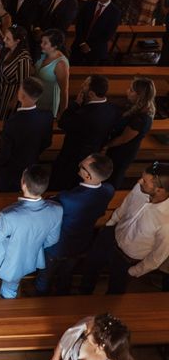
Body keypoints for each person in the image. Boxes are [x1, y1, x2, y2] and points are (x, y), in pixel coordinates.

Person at [0, 164, 62, 299]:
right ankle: (4, 316)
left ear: (23, 184)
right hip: (23, 261)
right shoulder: (56, 209)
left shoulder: (9, 215)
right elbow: (52, 239)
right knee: (10, 291)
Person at [81, 162, 169, 295]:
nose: (139, 181)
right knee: (90, 270)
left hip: (127, 260)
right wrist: (110, 224)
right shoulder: (140, 188)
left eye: (145, 181)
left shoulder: (165, 222)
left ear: (159, 190)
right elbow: (125, 206)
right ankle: (83, 296)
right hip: (110, 237)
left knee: (114, 293)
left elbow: (157, 257)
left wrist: (133, 271)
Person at [36, 154, 115, 296]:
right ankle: (62, 295)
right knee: (66, 273)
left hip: (58, 245)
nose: (79, 164)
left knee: (45, 276)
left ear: (88, 176)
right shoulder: (108, 190)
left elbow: (49, 207)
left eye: (82, 166)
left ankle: (41, 298)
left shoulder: (69, 199)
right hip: (82, 241)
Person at [52, 75, 120, 191]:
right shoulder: (112, 109)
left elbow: (63, 123)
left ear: (91, 94)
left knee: (63, 182)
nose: (81, 86)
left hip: (72, 156)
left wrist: (76, 104)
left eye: (85, 85)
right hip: (94, 152)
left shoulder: (84, 115)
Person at [0, 77, 52, 192]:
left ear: (22, 96)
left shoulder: (12, 122)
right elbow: (46, 142)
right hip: (32, 165)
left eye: (19, 89)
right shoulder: (47, 117)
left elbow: (5, 152)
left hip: (11, 170)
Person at [42, 314, 139, 360]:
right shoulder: (91, 324)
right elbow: (64, 340)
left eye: (88, 333)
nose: (86, 326)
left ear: (100, 346)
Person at [104, 77, 156, 189]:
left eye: (131, 90)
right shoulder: (139, 107)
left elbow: (123, 139)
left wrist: (105, 146)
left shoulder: (140, 119)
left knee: (114, 176)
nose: (127, 91)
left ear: (139, 95)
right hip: (121, 148)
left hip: (123, 151)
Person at [71, 0, 121, 65]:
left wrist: (89, 46)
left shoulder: (115, 12)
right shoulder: (88, 4)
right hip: (78, 45)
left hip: (96, 51)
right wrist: (82, 43)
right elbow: (79, 24)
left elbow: (108, 34)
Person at [0, 25, 32, 120]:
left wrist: (14, 101)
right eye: (5, 37)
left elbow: (23, 83)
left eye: (8, 39)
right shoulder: (6, 50)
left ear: (17, 41)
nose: (4, 40)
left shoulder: (23, 59)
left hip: (9, 97)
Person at [35, 28, 69, 119]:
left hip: (48, 102)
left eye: (45, 43)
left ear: (55, 46)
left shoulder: (60, 64)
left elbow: (64, 91)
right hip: (36, 98)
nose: (41, 45)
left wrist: (62, 114)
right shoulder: (43, 54)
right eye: (41, 41)